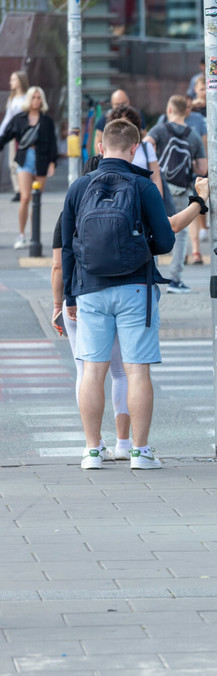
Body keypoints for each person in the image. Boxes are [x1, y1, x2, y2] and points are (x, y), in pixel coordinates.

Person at [62, 119, 208, 471]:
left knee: (93, 372)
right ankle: (140, 452)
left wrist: (69, 297)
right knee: (137, 371)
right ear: (135, 149)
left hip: (90, 289)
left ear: (100, 147)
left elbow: (68, 247)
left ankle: (92, 451)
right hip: (136, 289)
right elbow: (167, 241)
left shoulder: (79, 187)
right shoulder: (143, 186)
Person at [51, 154, 131, 462]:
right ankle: (124, 443)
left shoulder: (68, 211)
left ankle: (93, 445)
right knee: (121, 372)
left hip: (78, 297)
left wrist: (59, 304)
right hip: (116, 293)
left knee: (84, 371)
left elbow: (58, 266)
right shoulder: (120, 204)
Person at [148, 97, 207, 293]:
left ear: (170, 108)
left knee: (152, 230)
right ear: (187, 112)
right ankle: (175, 279)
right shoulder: (194, 136)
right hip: (182, 189)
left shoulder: (159, 130)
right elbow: (202, 167)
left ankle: (152, 274)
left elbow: (146, 147)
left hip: (160, 188)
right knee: (180, 234)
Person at [0, 85, 54, 249]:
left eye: (39, 97)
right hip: (25, 160)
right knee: (25, 198)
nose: (36, 100)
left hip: (42, 160)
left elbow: (52, 143)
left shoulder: (46, 121)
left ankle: (34, 236)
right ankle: (21, 234)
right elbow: (6, 136)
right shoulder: (19, 119)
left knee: (36, 199)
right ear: (28, 99)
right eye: (33, 97)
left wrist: (53, 162)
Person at [1, 70, 29, 204]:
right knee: (12, 163)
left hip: (26, 136)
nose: (11, 82)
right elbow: (8, 118)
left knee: (24, 161)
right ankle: (18, 190)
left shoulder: (28, 97)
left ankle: (26, 187)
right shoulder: (12, 99)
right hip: (14, 136)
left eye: (13, 79)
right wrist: (1, 133)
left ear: (20, 81)